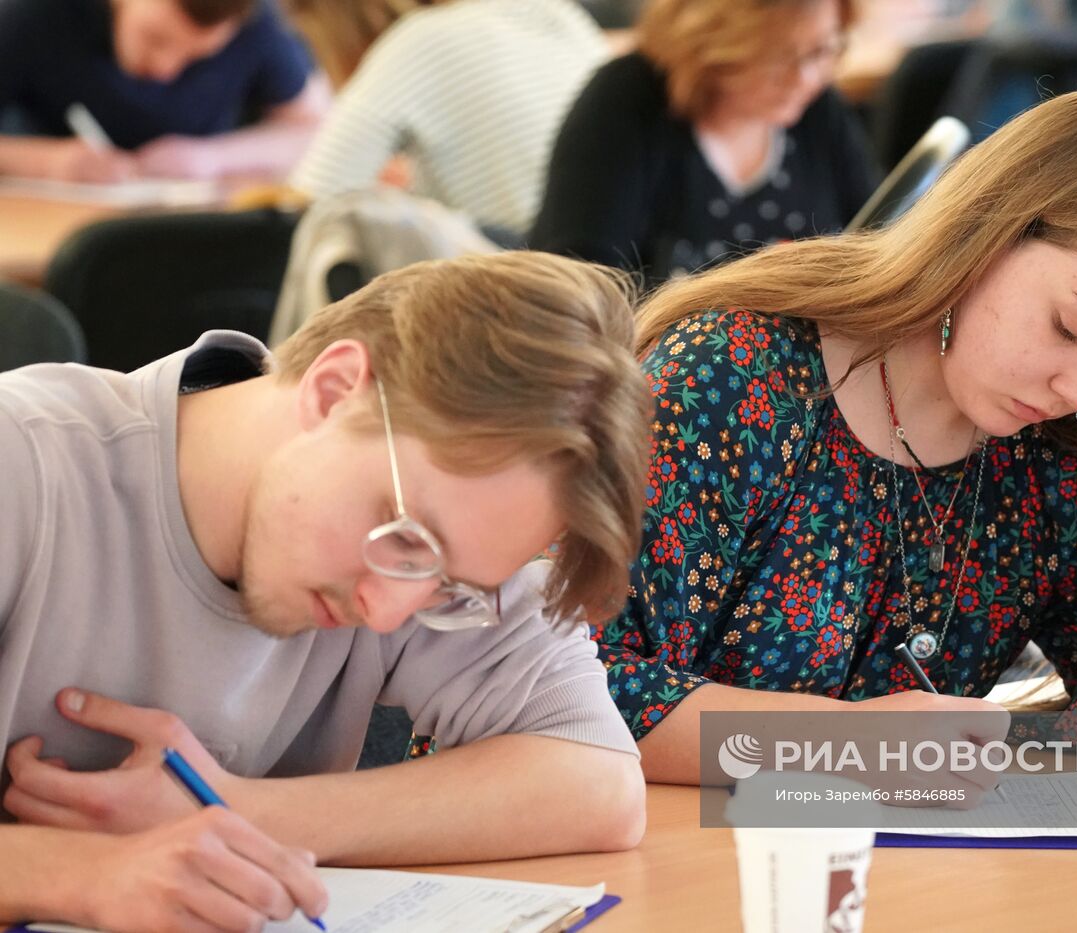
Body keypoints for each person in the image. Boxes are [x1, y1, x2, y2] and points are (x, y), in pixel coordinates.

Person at [595, 87, 1077, 786]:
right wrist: (841, 743)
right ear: (994, 228)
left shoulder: (1067, 447)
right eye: (1073, 326)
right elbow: (573, 693)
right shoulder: (733, 376)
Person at [0, 252, 652, 931]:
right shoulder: (22, 463)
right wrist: (78, 872)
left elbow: (601, 784)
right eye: (405, 540)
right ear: (335, 390)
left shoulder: (455, 516)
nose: (389, 609)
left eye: (451, 586)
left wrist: (235, 810)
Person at [529, 0, 879, 289]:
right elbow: (581, 285)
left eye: (822, 50)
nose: (804, 77)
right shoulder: (623, 102)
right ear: (712, 42)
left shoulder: (818, 110)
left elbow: (878, 236)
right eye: (777, 56)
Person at [286, 0, 609, 241]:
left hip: (530, 286)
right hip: (625, 285)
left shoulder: (419, 41)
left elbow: (309, 200)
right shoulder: (557, 13)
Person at [0, 0, 330, 183]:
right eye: (154, 39)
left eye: (196, 58)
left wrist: (212, 158)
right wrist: (45, 162)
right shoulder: (30, 15)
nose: (164, 69)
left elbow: (315, 128)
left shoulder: (256, 21)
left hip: (187, 233)